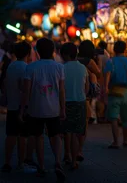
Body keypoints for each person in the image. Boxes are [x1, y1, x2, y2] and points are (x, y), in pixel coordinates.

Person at [20, 38, 66, 181]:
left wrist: (23, 109)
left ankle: (41, 166)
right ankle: (58, 162)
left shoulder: (30, 68)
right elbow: (62, 91)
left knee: (38, 137)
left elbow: (26, 92)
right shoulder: (59, 67)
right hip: (53, 109)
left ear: (37, 51)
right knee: (56, 135)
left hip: (36, 109)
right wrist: (63, 108)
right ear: (53, 50)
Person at [1, 41, 33, 172]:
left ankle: (7, 162)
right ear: (28, 53)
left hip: (12, 105)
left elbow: (4, 85)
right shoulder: (26, 68)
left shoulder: (11, 66)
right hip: (22, 108)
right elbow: (25, 89)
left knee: (11, 135)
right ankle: (21, 163)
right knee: (23, 137)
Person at [60, 43, 88, 171]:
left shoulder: (62, 68)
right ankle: (74, 161)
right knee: (76, 133)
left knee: (67, 132)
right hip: (80, 103)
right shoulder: (83, 68)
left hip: (66, 103)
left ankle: (67, 155)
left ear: (65, 55)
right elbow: (86, 88)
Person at [104, 40, 127, 148]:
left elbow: (107, 75)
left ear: (114, 49)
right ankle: (126, 140)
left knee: (114, 118)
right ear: (125, 50)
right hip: (125, 92)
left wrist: (106, 88)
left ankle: (115, 142)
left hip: (114, 92)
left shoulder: (111, 62)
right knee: (126, 118)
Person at [77, 40, 101, 160]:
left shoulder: (75, 60)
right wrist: (100, 62)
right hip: (85, 97)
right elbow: (99, 73)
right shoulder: (89, 61)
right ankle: (79, 150)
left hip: (74, 95)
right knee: (83, 126)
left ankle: (69, 152)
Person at [95, 41, 110, 123]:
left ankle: (100, 116)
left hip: (101, 78)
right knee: (106, 98)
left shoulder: (100, 56)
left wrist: (98, 77)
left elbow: (99, 68)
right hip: (106, 78)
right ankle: (106, 116)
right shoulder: (108, 55)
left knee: (100, 98)